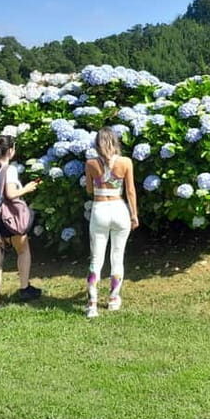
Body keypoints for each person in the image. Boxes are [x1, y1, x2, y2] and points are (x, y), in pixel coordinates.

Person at [0, 135, 42, 311]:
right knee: (23, 251)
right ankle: (24, 288)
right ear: (10, 151)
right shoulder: (10, 170)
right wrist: (27, 188)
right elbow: (10, 194)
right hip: (8, 217)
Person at [84, 127, 139, 318]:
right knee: (117, 256)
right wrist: (134, 215)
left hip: (100, 210)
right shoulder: (125, 162)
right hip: (119, 209)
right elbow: (130, 191)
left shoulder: (90, 163)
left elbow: (90, 190)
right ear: (115, 142)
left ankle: (92, 303)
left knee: (96, 258)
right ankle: (114, 299)